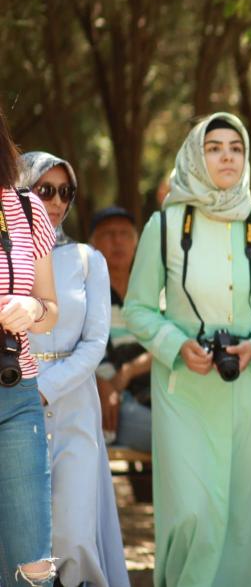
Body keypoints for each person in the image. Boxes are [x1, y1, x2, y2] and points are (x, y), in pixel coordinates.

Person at [123, 112, 251, 586]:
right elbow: (138, 309)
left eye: (235, 148)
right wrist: (176, 344)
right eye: (214, 148)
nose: (227, 156)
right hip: (184, 390)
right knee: (195, 513)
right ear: (195, 156)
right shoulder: (164, 226)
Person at [19, 153, 129, 587]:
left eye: (66, 192)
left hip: (76, 406)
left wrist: (46, 387)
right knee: (24, 530)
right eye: (45, 189)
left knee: (74, 531)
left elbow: (96, 343)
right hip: (15, 403)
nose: (57, 202)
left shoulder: (87, 259)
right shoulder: (8, 257)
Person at [0, 110, 60, 587]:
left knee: (32, 565)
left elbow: (51, 308)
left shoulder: (26, 208)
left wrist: (32, 308)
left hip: (16, 391)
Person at [91, 206, 153, 453]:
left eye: (125, 233)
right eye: (108, 234)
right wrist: (100, 382)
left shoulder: (153, 292)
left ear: (136, 243)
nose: (117, 240)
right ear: (93, 245)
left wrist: (129, 370)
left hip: (159, 393)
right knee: (172, 437)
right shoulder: (86, 295)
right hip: (115, 401)